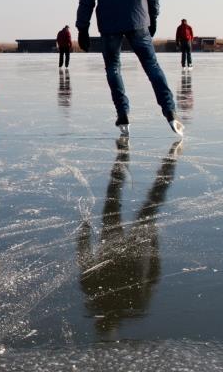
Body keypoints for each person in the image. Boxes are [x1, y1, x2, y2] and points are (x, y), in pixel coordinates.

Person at [75, 0, 183, 136]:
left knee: (113, 68)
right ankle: (170, 111)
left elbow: (86, 0)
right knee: (152, 67)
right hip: (138, 22)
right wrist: (153, 17)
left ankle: (122, 114)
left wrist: (82, 28)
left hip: (110, 25)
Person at [76, 137, 181, 340]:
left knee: (134, 205)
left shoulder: (129, 306)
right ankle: (154, 162)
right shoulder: (133, 306)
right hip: (131, 252)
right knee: (124, 203)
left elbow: (86, 263)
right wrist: (153, 244)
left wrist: (84, 233)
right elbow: (153, 276)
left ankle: (128, 158)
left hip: (120, 250)